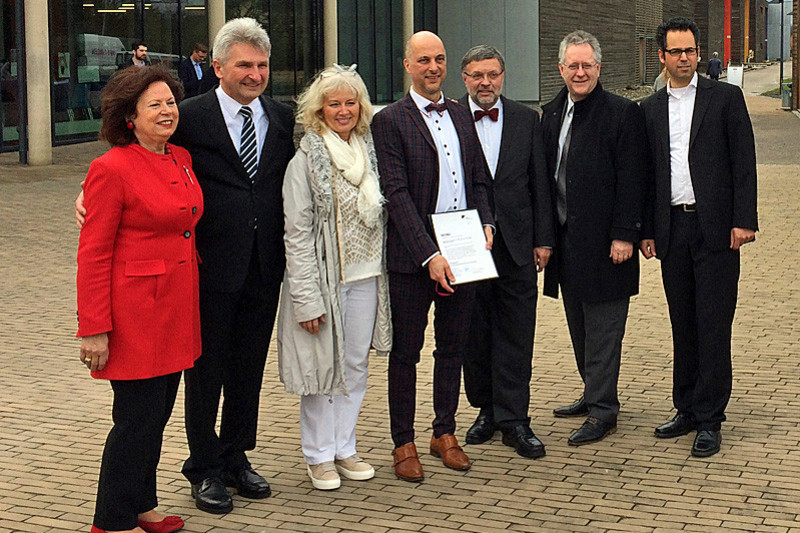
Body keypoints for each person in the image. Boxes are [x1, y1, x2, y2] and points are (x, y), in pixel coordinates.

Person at [77, 17, 295, 514]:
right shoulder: (187, 116)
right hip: (205, 273)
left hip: (263, 269)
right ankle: (203, 466)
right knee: (205, 375)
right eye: (244, 65)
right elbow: (128, 162)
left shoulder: (281, 118)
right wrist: (83, 196)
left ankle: (237, 455)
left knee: (247, 371)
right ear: (218, 67)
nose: (254, 74)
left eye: (262, 66)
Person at [77, 66, 202, 533]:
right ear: (130, 116)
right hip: (134, 318)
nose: (167, 110)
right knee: (133, 424)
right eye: (155, 104)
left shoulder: (182, 157)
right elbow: (92, 254)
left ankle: (142, 504)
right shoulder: (110, 168)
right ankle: (110, 522)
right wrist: (93, 327)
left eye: (171, 101)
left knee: (155, 419)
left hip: (175, 312)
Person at [372, 31, 493, 483]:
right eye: (423, 59)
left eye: (440, 59)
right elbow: (396, 193)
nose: (433, 67)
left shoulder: (462, 114)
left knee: (453, 347)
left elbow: (479, 179)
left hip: (464, 248)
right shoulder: (390, 121)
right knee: (406, 352)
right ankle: (403, 441)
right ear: (408, 65)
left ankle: (444, 432)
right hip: (413, 257)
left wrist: (488, 224)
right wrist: (429, 255)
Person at [640, 17, 758, 458]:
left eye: (690, 50)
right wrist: (647, 230)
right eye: (676, 52)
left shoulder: (725, 99)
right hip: (672, 230)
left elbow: (743, 163)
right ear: (662, 57)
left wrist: (744, 221)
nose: (684, 58)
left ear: (697, 53)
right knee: (682, 322)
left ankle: (710, 418)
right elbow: (648, 175)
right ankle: (685, 407)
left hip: (717, 231)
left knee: (713, 324)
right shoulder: (648, 109)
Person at [278, 64, 391, 490]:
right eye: (334, 104)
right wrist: (307, 299)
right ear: (318, 110)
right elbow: (297, 235)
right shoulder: (304, 162)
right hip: (325, 283)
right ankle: (318, 454)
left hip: (367, 277)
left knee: (355, 366)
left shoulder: (370, 152)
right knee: (322, 368)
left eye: (350, 102)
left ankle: (345, 446)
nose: (343, 110)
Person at [541, 30, 646, 446]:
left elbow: (633, 180)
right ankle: (591, 392)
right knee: (579, 326)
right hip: (567, 245)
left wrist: (625, 235)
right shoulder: (551, 113)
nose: (580, 72)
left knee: (604, 330)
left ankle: (604, 411)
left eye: (587, 65)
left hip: (607, 246)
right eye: (573, 65)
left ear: (599, 68)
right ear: (561, 68)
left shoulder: (622, 114)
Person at [456, 45, 555, 459]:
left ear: (503, 76)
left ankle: (515, 418)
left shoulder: (525, 118)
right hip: (466, 245)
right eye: (477, 75)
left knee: (516, 333)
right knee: (473, 334)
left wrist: (544, 239)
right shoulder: (449, 117)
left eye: (492, 74)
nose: (485, 82)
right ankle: (485, 410)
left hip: (517, 243)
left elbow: (540, 183)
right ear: (464, 79)